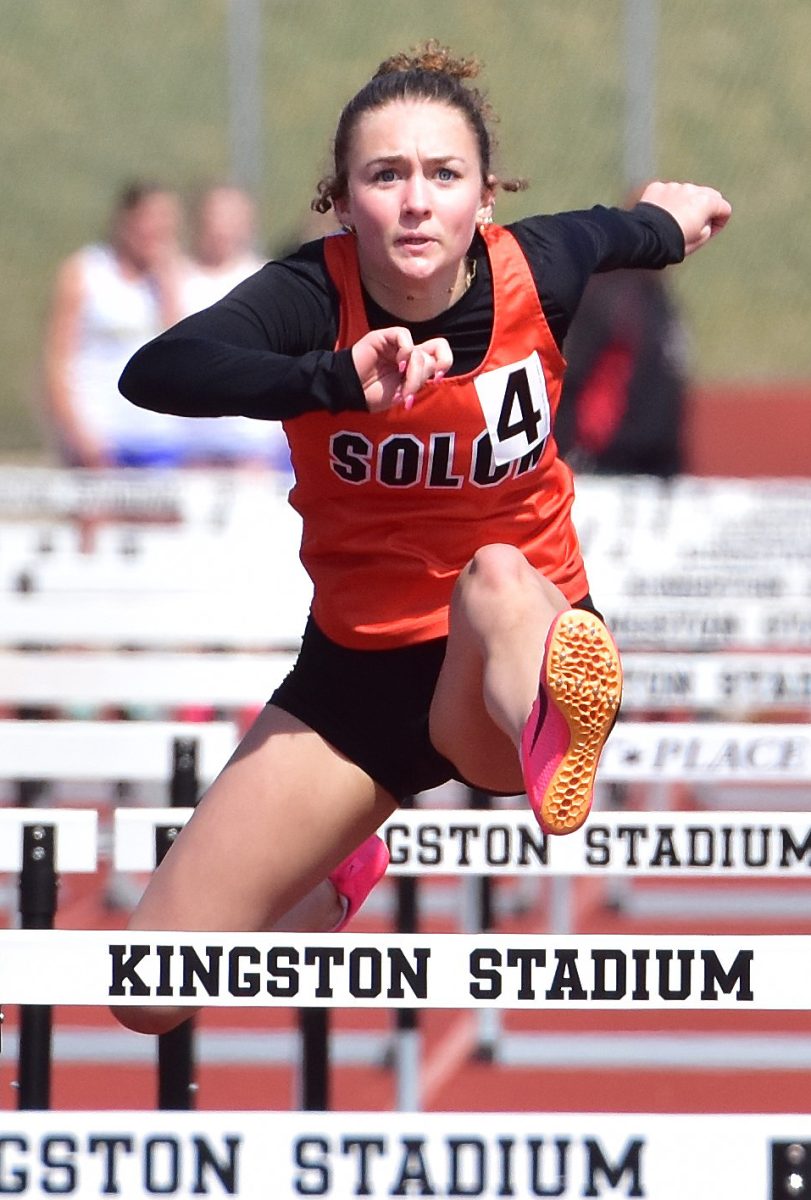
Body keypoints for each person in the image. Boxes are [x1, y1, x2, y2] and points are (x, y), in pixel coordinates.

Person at [114, 42, 731, 1035]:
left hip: (505, 649)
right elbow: (161, 369)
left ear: (483, 197)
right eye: (385, 175)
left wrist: (676, 215)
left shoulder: (543, 262)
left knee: (492, 574)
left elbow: (641, 230)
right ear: (343, 199)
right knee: (148, 992)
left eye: (443, 175)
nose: (414, 201)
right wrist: (326, 380)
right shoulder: (312, 296)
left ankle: (556, 721)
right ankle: (335, 874)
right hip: (355, 676)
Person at [42, 181, 190, 467]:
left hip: (159, 437)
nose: (159, 232)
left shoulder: (177, 277)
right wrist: (77, 433)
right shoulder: (86, 272)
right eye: (151, 219)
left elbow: (186, 352)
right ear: (126, 221)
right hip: (100, 435)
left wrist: (167, 287)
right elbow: (57, 361)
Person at [555, 189, 690, 477]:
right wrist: (569, 450)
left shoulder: (657, 295)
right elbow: (573, 374)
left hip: (659, 460)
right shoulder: (606, 293)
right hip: (607, 462)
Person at [176, 183, 291, 469]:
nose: (221, 228)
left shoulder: (269, 280)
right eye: (215, 217)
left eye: (231, 218)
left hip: (254, 447)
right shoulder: (176, 279)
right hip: (188, 447)